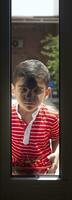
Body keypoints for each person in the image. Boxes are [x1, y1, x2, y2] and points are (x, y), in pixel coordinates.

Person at [11, 59, 59, 176]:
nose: (29, 96)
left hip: (43, 173)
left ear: (47, 93)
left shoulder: (52, 117)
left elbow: (57, 138)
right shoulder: (7, 116)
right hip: (14, 173)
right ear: (13, 90)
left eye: (36, 90)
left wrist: (57, 153)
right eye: (23, 89)